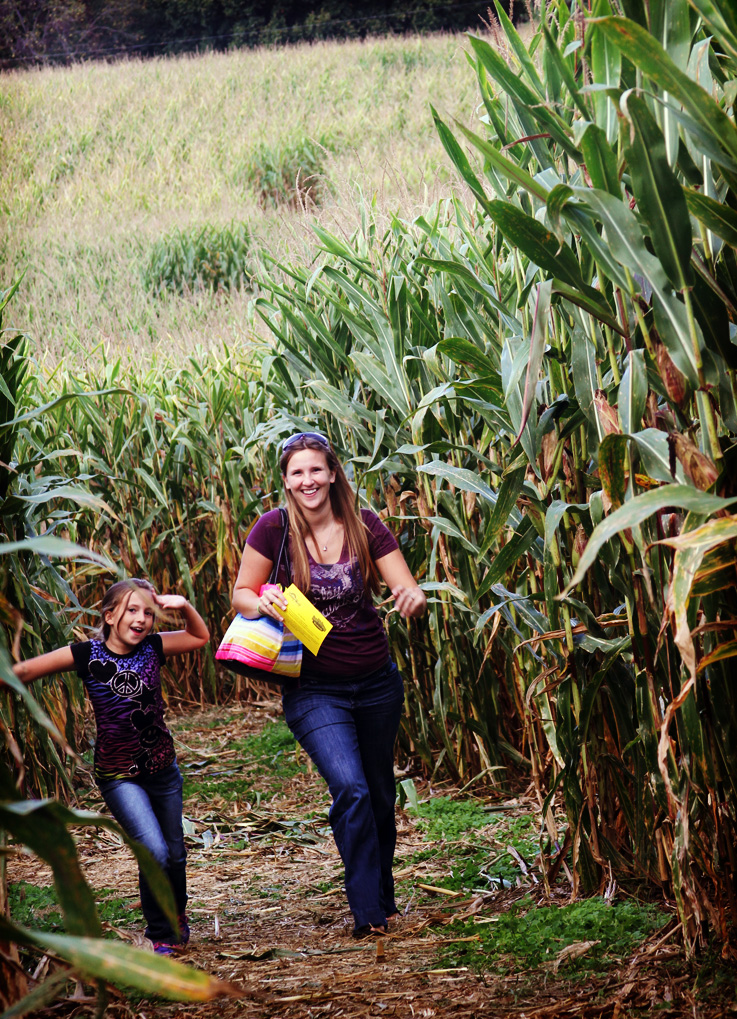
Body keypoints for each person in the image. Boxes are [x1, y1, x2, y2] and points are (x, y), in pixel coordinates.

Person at [232, 431, 426, 938]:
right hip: (314, 688)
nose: (308, 480)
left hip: (377, 681)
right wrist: (264, 603)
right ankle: (368, 914)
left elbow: (403, 584)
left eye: (316, 469)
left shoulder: (365, 525)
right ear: (286, 481)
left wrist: (412, 597)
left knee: (381, 795)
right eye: (297, 472)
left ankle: (382, 894)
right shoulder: (273, 529)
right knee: (351, 788)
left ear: (333, 473)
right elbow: (241, 595)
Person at [8, 579, 209, 955]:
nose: (142, 619)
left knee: (175, 852)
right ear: (110, 615)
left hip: (163, 769)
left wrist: (182, 605)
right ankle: (160, 930)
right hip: (119, 776)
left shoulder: (155, 646)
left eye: (149, 612)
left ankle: (176, 911)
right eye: (133, 610)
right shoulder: (86, 654)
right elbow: (25, 672)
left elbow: (200, 637)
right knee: (154, 850)